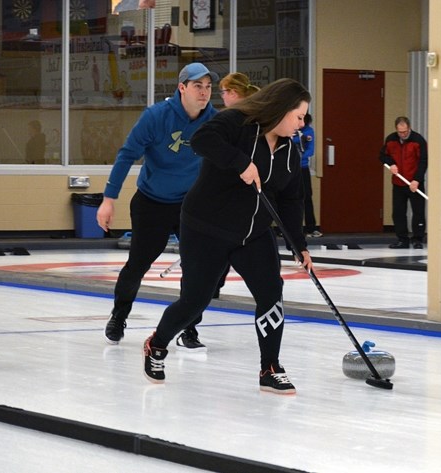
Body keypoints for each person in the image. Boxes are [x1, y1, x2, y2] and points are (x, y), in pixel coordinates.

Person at [142, 78, 313, 394]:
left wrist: (298, 243)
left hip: (253, 234)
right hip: (207, 228)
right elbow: (202, 140)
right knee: (195, 302)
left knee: (271, 292)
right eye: (299, 116)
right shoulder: (238, 123)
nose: (302, 124)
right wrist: (240, 163)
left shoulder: (291, 149)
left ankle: (270, 367)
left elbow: (291, 199)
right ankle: (157, 343)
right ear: (281, 110)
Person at [98, 63, 219, 352]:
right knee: (138, 263)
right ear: (182, 88)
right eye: (197, 86)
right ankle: (119, 314)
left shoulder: (214, 121)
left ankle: (189, 327)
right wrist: (108, 198)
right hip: (152, 202)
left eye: (208, 87)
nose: (204, 92)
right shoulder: (156, 116)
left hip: (190, 205)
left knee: (197, 269)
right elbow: (127, 155)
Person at [212, 72, 261, 298]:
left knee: (224, 243)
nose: (222, 97)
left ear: (232, 93)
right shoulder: (252, 115)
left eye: (223, 92)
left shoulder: (233, 117)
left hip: (232, 189)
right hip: (241, 191)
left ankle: (213, 285)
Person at [379, 116, 428, 249]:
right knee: (398, 212)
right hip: (398, 182)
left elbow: (423, 161)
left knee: (418, 212)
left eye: (405, 131)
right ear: (396, 130)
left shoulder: (418, 140)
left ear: (409, 128)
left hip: (414, 183)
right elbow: (382, 156)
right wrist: (391, 164)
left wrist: (417, 180)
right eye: (400, 132)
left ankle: (418, 239)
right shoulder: (391, 140)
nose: (403, 134)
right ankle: (402, 239)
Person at [293, 113, 322, 237]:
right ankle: (291, 229)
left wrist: (298, 157)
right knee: (290, 197)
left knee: (307, 197)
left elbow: (310, 150)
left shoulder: (309, 131)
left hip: (303, 168)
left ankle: (311, 228)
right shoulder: (289, 129)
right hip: (289, 169)